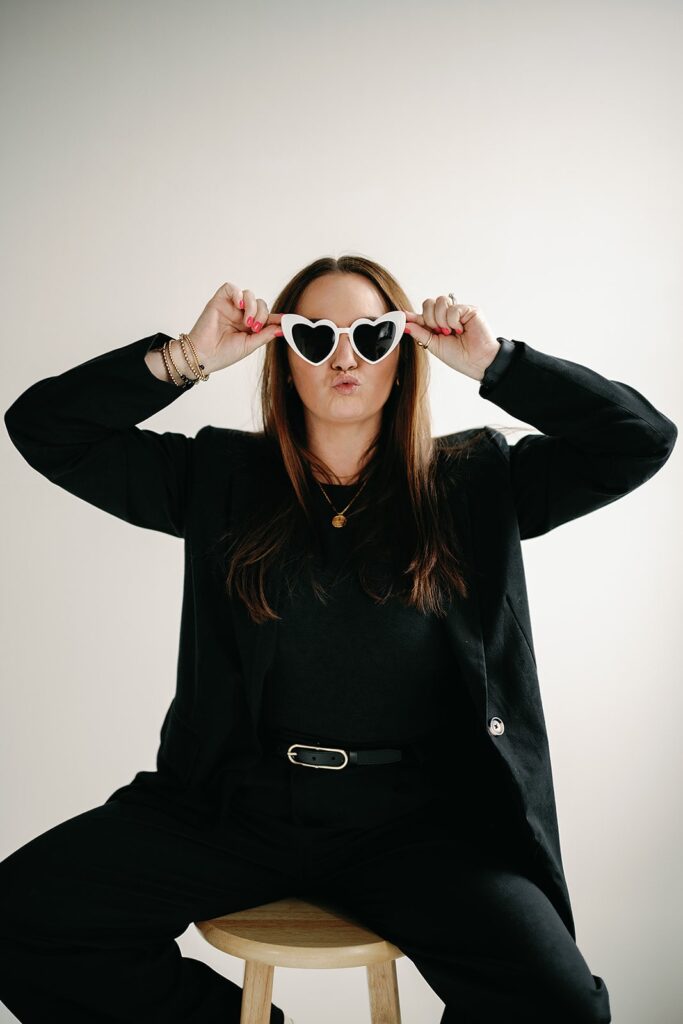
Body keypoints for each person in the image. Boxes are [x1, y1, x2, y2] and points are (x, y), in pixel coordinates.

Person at [0, 255, 677, 1023]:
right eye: (315, 338)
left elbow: (639, 439)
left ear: (405, 354)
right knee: (23, 916)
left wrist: (494, 363)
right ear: (285, 362)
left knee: (561, 1006)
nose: (346, 355)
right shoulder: (219, 477)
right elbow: (44, 428)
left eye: (374, 335)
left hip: (419, 823)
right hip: (235, 805)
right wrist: (189, 357)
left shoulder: (472, 484)